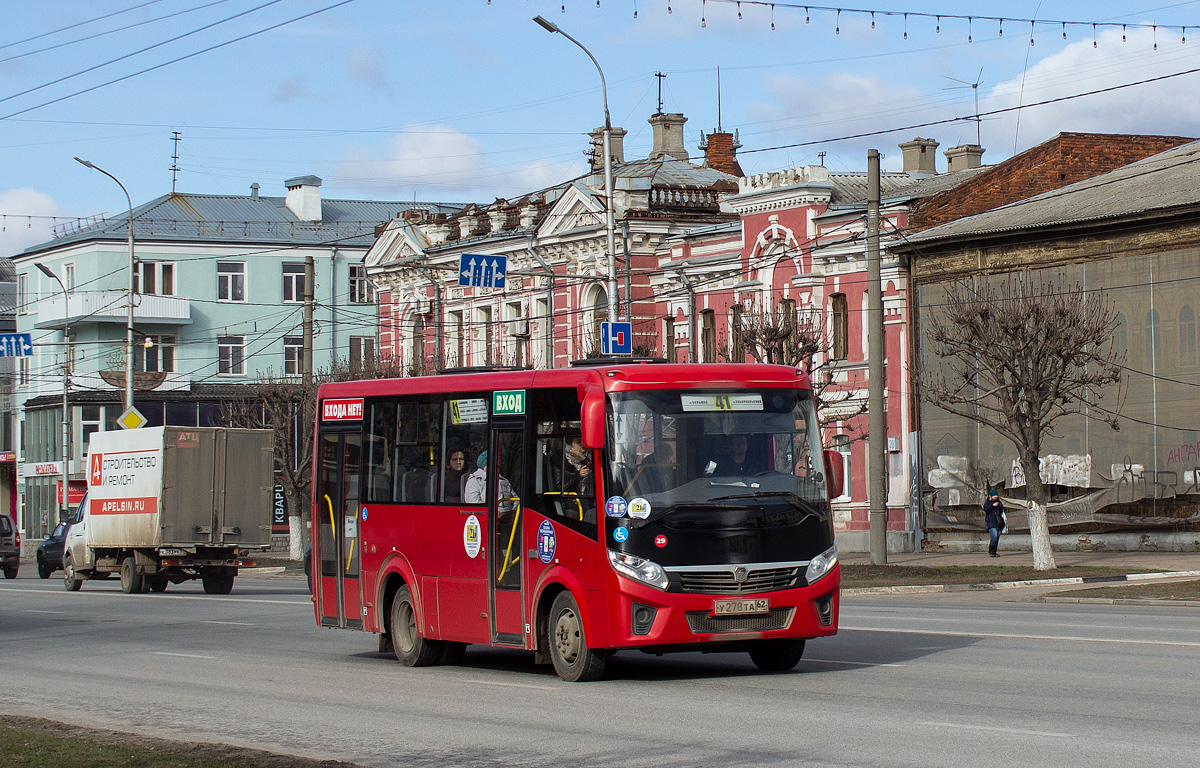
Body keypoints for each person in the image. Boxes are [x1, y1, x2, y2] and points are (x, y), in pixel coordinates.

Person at [984, 488, 1005, 557]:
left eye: (996, 495)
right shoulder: (988, 503)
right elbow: (986, 509)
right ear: (991, 496)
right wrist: (992, 505)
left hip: (998, 522)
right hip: (991, 522)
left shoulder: (999, 503)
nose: (995, 497)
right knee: (994, 535)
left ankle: (994, 551)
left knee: (997, 537)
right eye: (994, 495)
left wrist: (998, 505)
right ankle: (991, 550)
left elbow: (1001, 510)